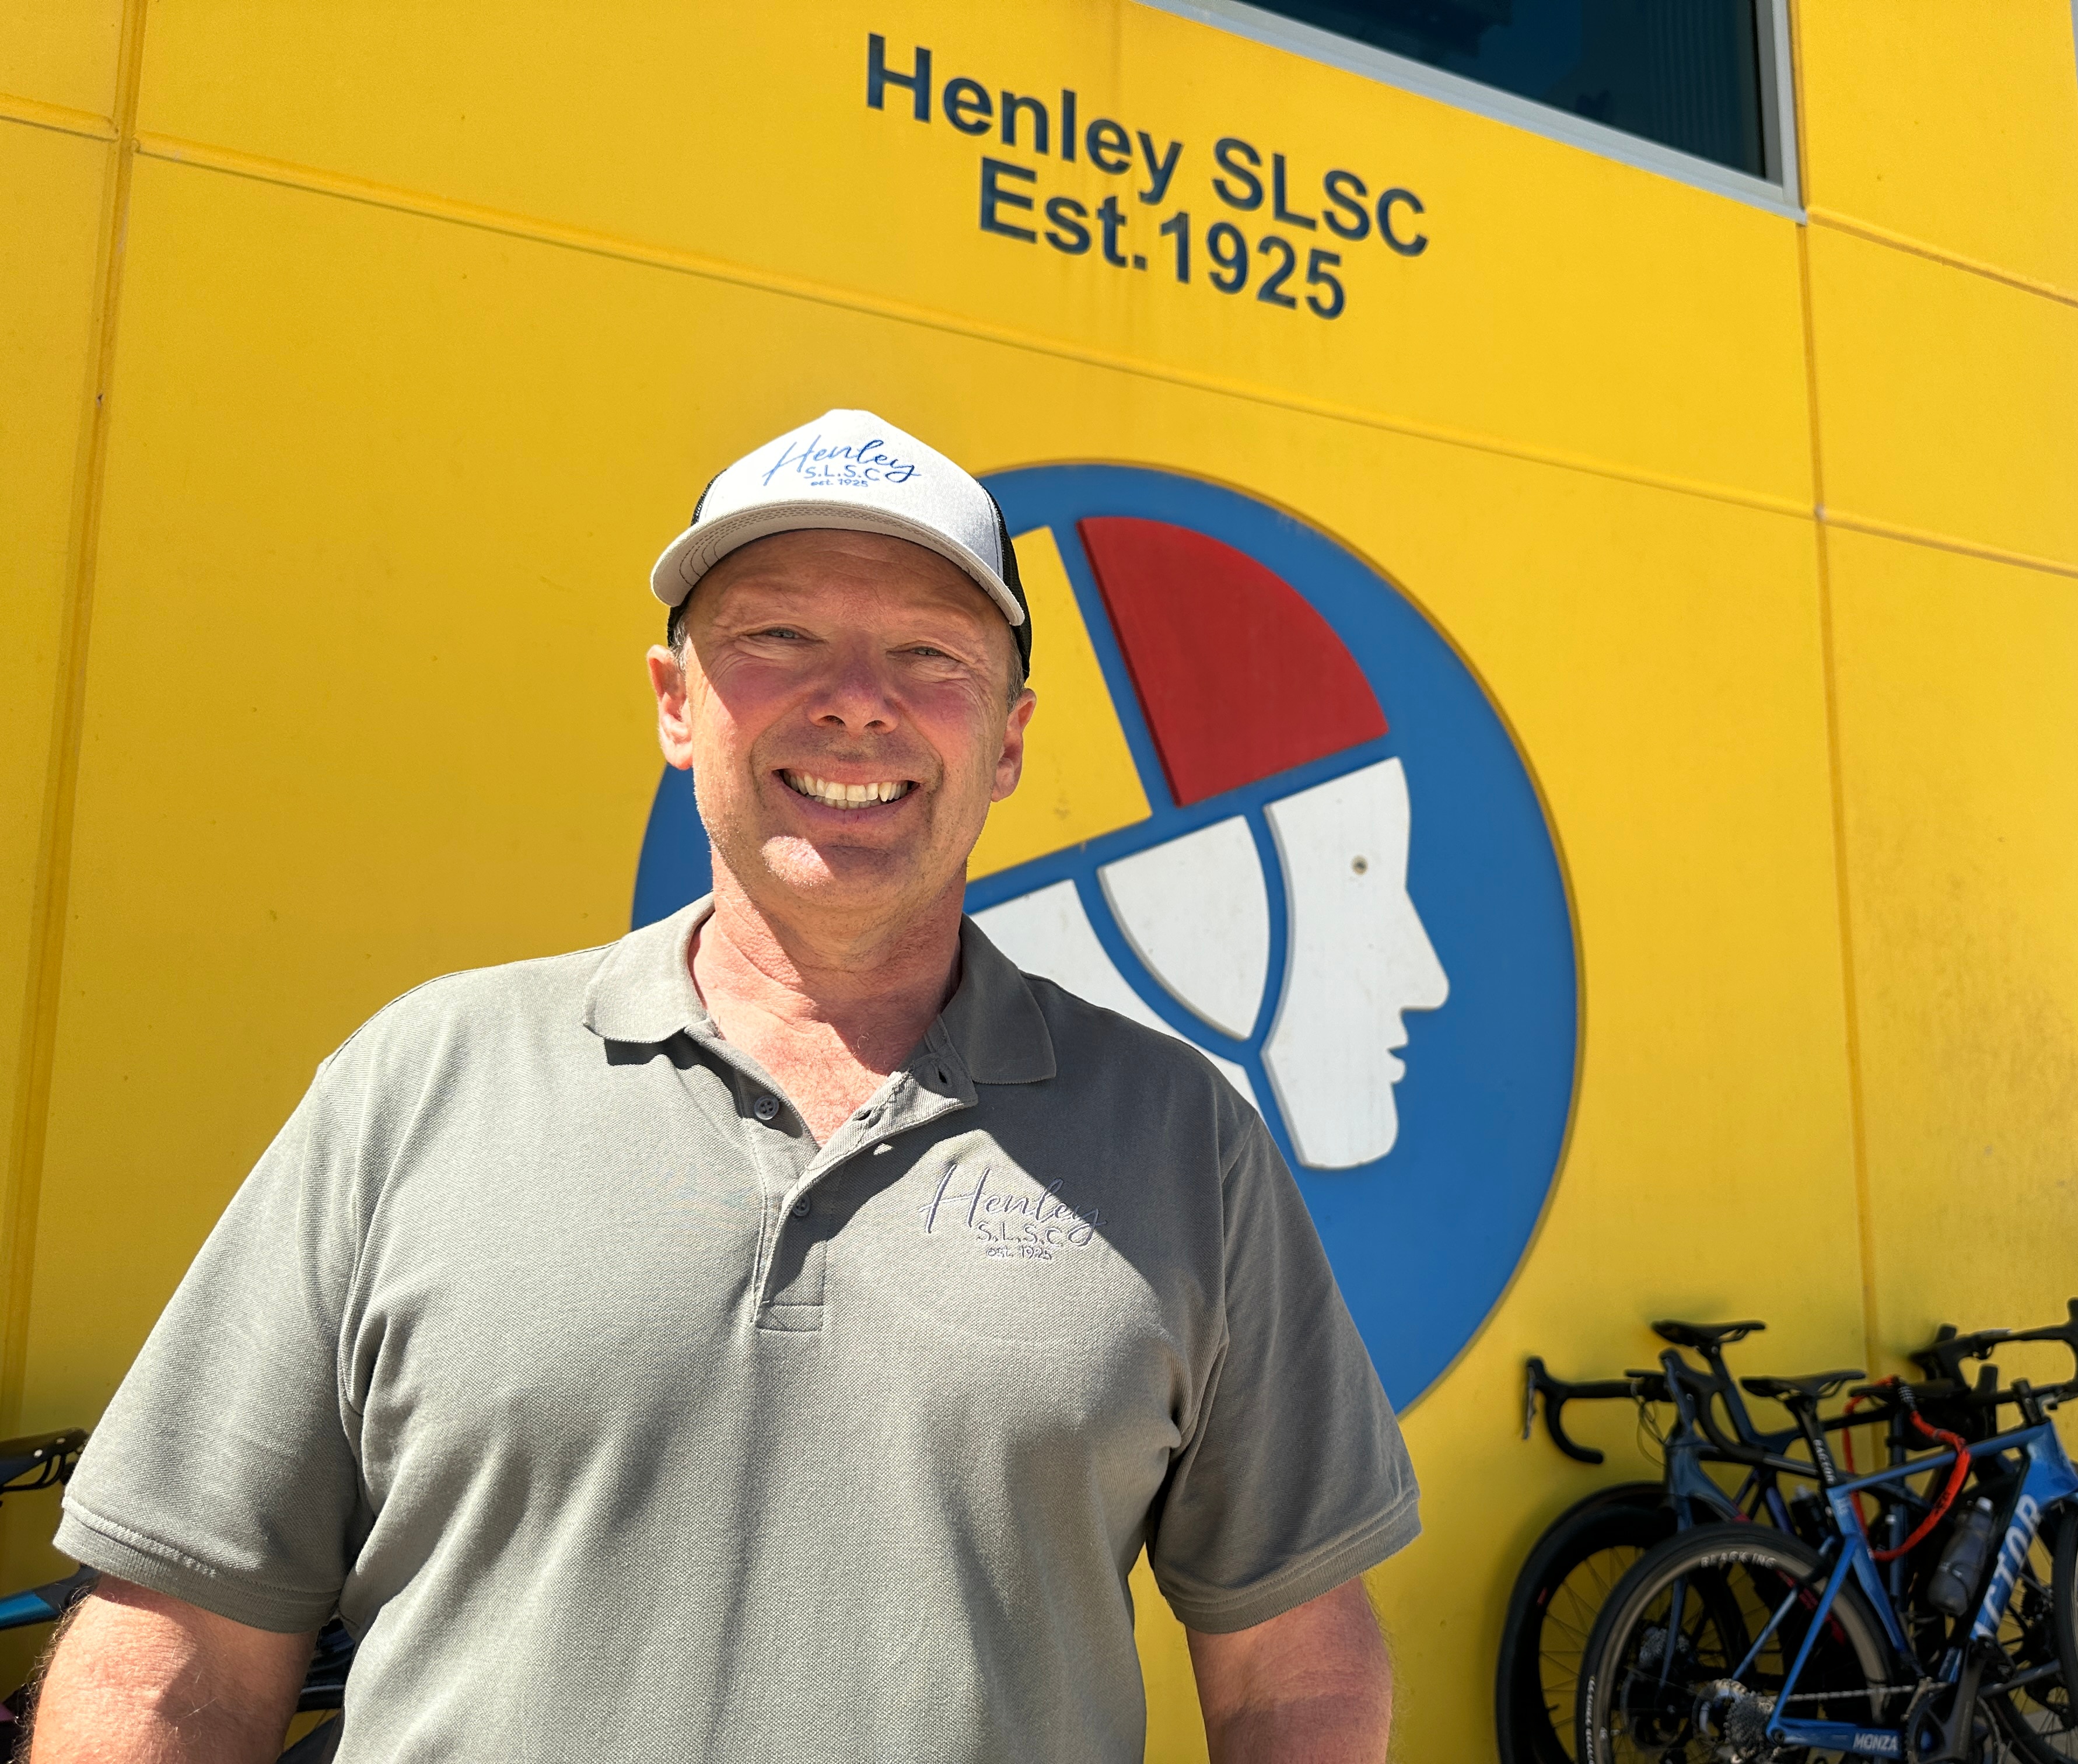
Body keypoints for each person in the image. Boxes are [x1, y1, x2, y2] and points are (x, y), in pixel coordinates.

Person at [30, 410, 1418, 1763]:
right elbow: (179, 1657)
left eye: (930, 653)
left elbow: (1295, 1680)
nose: (857, 697)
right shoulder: (418, 1083)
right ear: (676, 704)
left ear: (1007, 741)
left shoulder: (1184, 1143)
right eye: (778, 636)